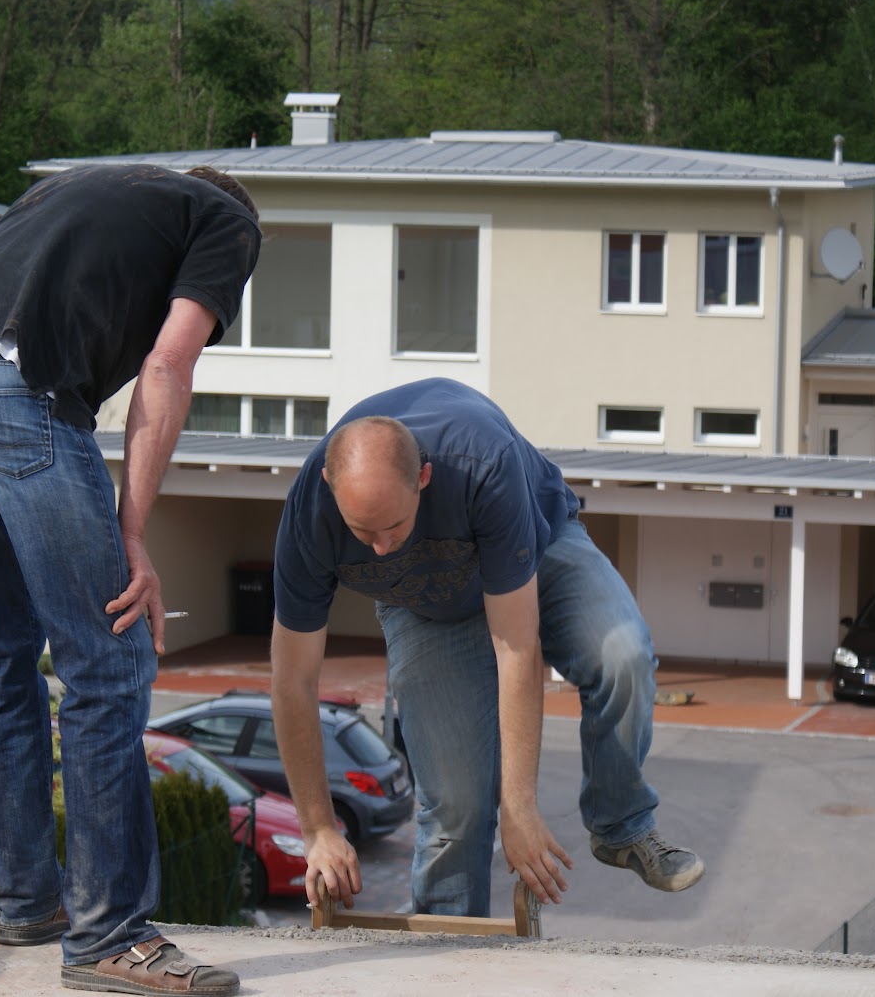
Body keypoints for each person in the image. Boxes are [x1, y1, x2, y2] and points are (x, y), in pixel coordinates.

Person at [0, 163, 260, 996]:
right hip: (14, 390)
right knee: (109, 660)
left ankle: (30, 900)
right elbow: (168, 366)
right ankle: (111, 935)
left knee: (4, 654)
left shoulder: (81, 189)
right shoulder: (227, 221)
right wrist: (131, 532)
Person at [269, 378, 703, 919]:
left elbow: (516, 646)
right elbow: (293, 682)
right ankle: (449, 949)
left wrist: (520, 807)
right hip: (424, 604)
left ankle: (621, 825)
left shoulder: (482, 463)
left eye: (394, 526)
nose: (379, 548)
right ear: (330, 486)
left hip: (537, 550)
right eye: (362, 531)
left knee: (623, 656)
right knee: (455, 808)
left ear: (424, 477)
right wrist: (317, 829)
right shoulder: (308, 516)